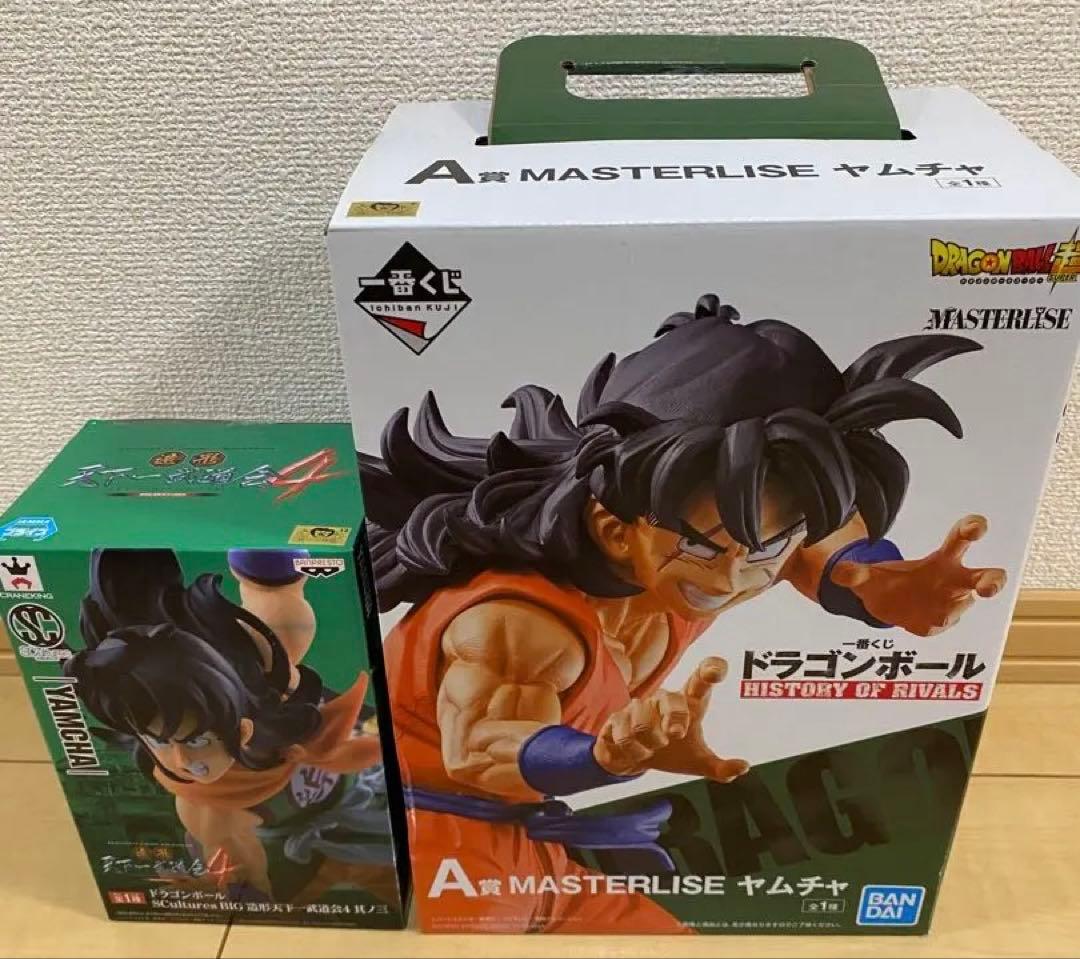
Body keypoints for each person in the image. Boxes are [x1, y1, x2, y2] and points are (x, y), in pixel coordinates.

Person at [360, 294, 1006, 933]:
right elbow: (478, 748)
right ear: (615, 529)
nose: (730, 578)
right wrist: (603, 755)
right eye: (703, 546)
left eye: (768, 546)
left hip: (532, 844)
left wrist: (875, 578)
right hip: (416, 841)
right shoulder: (520, 620)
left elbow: (805, 540)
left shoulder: (717, 543)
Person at [67, 548, 395, 904]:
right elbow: (245, 877)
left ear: (243, 730)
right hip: (314, 838)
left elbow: (273, 580)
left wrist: (267, 559)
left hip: (367, 766)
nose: (181, 761)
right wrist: (239, 891)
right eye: (159, 741)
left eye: (196, 741)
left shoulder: (268, 657)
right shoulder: (206, 806)